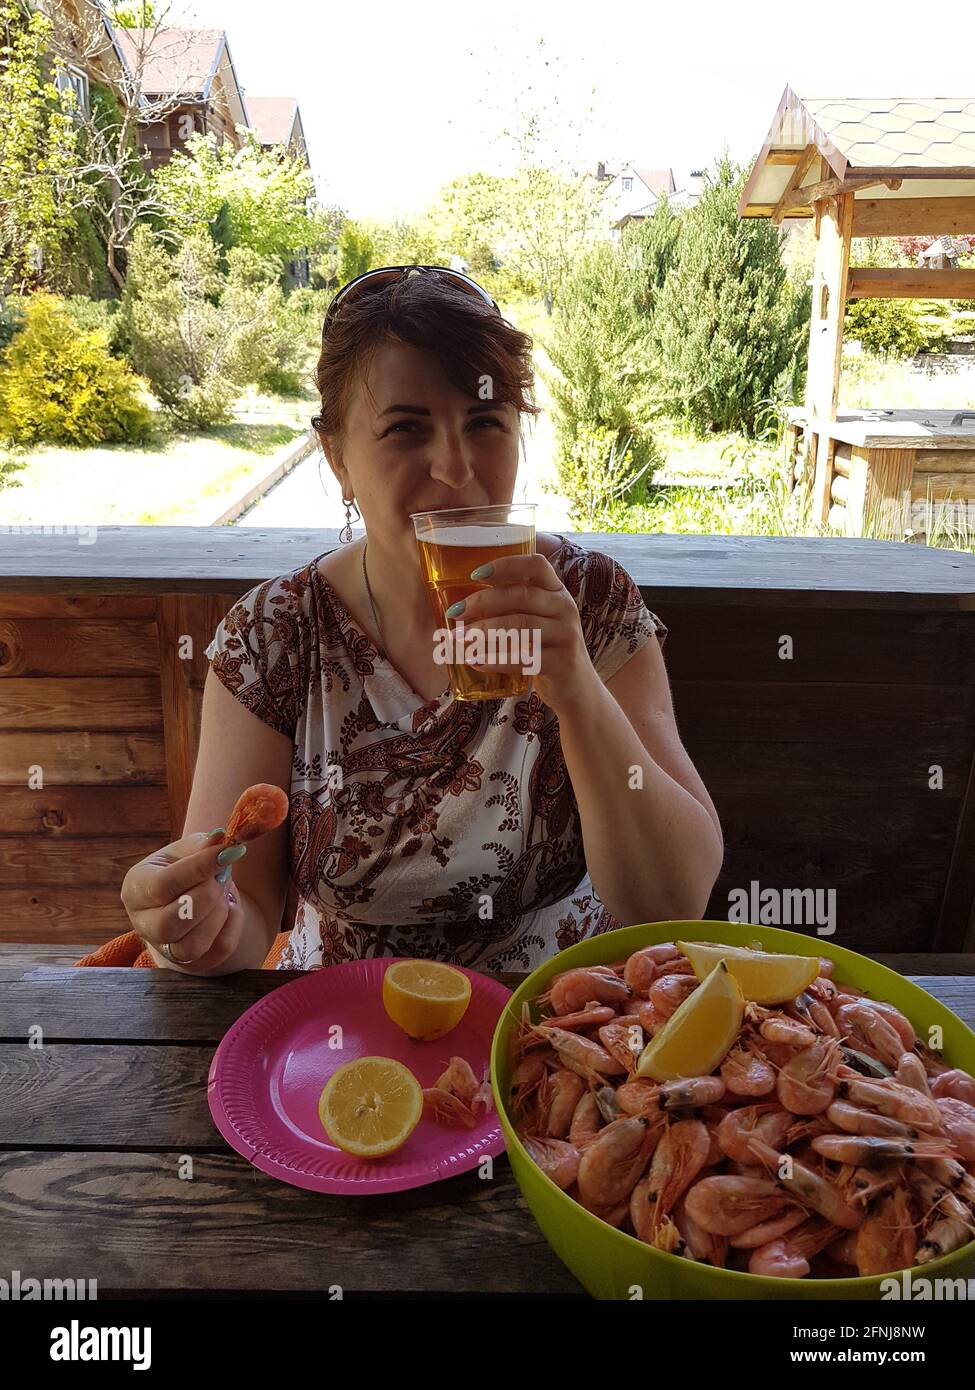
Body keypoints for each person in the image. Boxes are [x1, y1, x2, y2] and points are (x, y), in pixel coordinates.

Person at [120, 266, 723, 975]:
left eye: (485, 422)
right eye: (406, 429)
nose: (457, 469)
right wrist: (199, 927)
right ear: (337, 458)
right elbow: (243, 913)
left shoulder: (587, 602)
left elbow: (672, 904)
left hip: (549, 1017)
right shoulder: (275, 635)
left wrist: (577, 693)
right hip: (341, 1029)